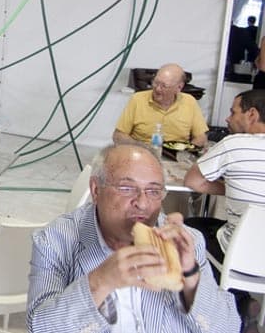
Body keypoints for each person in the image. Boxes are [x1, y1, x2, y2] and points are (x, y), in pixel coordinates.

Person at [27, 144, 239, 332]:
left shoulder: (186, 243)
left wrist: (190, 277)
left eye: (154, 191)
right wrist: (100, 281)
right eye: (127, 188)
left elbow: (228, 327)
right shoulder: (55, 240)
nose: (143, 203)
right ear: (95, 189)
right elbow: (40, 327)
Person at [184, 89, 265, 263]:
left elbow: (193, 181)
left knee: (185, 228)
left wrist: (229, 188)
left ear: (252, 114)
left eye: (233, 112)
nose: (228, 119)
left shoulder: (234, 143)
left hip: (238, 254)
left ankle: (208, 286)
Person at [113, 63, 209, 148]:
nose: (158, 89)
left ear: (179, 87)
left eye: (164, 86)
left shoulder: (189, 101)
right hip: (143, 154)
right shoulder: (137, 99)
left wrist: (187, 152)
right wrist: (141, 148)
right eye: (155, 83)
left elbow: (201, 137)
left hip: (177, 158)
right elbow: (119, 135)